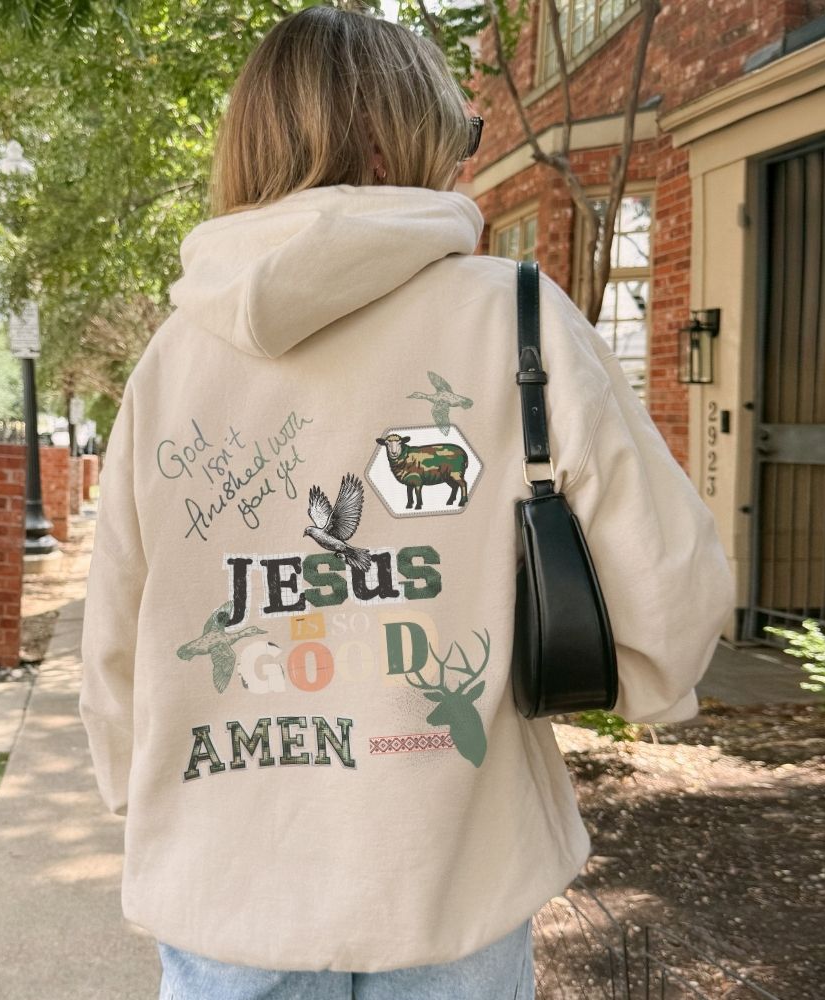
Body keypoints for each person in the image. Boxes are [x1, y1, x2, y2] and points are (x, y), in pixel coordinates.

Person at [78, 6, 734, 1000]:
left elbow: (117, 639)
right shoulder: (513, 316)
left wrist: (142, 789)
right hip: (449, 872)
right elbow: (672, 588)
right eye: (460, 133)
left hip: (229, 887)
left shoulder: (172, 362)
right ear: (398, 134)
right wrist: (649, 682)